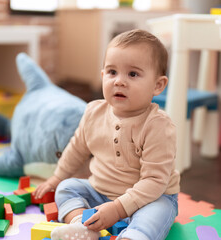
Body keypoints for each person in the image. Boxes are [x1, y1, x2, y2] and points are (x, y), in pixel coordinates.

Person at [33, 29, 180, 240]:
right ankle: (82, 226)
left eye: (133, 74)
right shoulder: (94, 112)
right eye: (112, 72)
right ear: (102, 76)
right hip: (100, 192)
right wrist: (56, 178)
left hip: (151, 197)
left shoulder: (158, 126)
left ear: (158, 85)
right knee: (66, 188)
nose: (119, 81)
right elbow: (77, 147)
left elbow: (155, 181)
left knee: (157, 213)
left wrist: (119, 209)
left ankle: (134, 236)